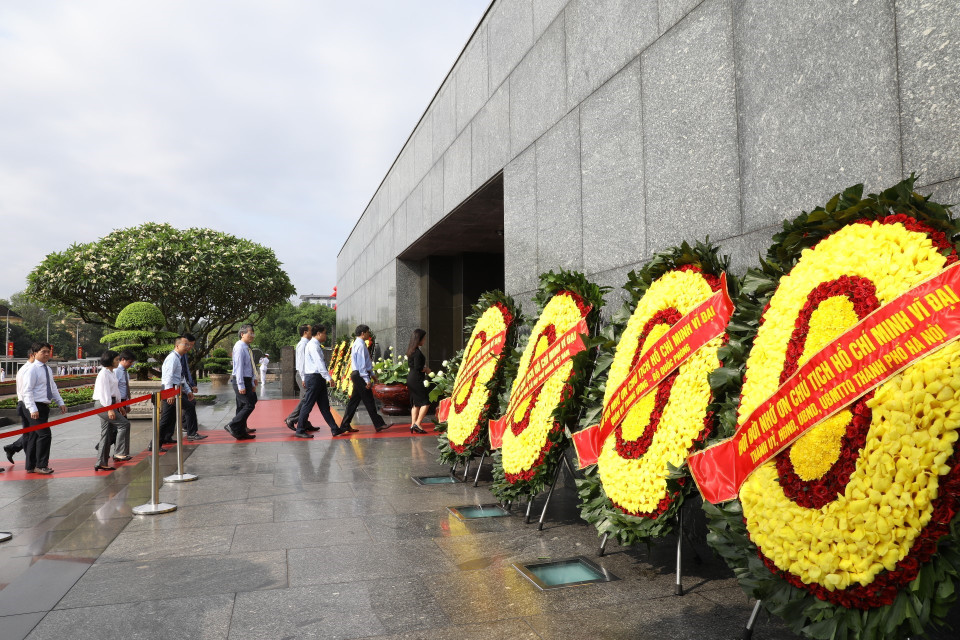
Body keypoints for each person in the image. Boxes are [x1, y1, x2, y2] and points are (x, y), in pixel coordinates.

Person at [21, 342, 67, 474]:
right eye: (43, 352)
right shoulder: (32, 369)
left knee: (34, 436)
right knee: (45, 434)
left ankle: (30, 466)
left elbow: (53, 388)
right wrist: (32, 408)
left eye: (48, 351)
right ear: (35, 354)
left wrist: (60, 402)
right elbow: (27, 390)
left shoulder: (47, 369)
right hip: (34, 405)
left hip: (43, 405)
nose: (47, 354)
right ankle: (41, 465)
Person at [297, 324, 346, 438]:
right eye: (324, 333)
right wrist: (328, 378)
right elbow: (319, 363)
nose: (326, 335)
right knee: (308, 405)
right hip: (314, 378)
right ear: (318, 334)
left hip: (317, 378)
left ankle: (334, 429)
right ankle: (300, 429)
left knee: (324, 406)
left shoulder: (314, 345)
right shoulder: (313, 346)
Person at [339, 324, 390, 434]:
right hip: (360, 375)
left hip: (357, 375)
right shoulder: (360, 345)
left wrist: (372, 375)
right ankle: (379, 424)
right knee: (369, 400)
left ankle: (345, 425)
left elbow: (365, 364)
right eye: (368, 332)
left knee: (354, 401)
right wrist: (367, 380)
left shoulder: (358, 343)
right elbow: (362, 365)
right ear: (363, 333)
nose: (369, 334)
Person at [152, 336, 194, 451]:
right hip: (170, 389)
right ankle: (154, 444)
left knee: (170, 416)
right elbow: (168, 377)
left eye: (188, 345)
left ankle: (165, 438)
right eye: (185, 344)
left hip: (175, 389)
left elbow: (181, 377)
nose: (188, 347)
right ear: (177, 345)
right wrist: (169, 393)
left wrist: (188, 390)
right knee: (167, 417)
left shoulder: (178, 358)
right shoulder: (172, 358)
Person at [92, 350, 131, 471]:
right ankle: (119, 452)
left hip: (110, 403)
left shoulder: (111, 372)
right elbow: (105, 392)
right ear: (109, 360)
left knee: (107, 433)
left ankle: (101, 462)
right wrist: (109, 409)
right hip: (104, 404)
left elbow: (115, 391)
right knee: (124, 424)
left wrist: (119, 405)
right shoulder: (104, 373)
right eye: (116, 360)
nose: (118, 362)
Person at [3, 348, 35, 467]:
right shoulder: (27, 369)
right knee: (33, 433)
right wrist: (31, 407)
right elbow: (26, 390)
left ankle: (13, 448)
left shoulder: (30, 368)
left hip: (26, 403)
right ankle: (31, 462)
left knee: (33, 432)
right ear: (32, 355)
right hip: (26, 404)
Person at [226, 324, 258, 440]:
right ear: (242, 334)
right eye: (250, 333)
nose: (252, 336)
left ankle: (240, 430)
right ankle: (232, 425)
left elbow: (249, 366)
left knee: (242, 405)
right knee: (249, 404)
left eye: (253, 333)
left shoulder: (246, 347)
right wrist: (241, 385)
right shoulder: (240, 347)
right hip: (241, 380)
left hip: (247, 379)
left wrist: (253, 381)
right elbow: (239, 367)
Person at [284, 324, 317, 431]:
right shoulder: (303, 345)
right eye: (311, 330)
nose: (312, 332)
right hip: (303, 374)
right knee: (307, 398)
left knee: (305, 399)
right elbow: (301, 363)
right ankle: (291, 418)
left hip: (305, 374)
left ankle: (304, 422)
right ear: (305, 332)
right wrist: (303, 378)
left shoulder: (307, 344)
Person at [179, 334, 207, 441]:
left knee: (190, 404)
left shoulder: (183, 355)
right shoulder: (174, 357)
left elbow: (185, 372)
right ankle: (189, 430)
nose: (189, 347)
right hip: (174, 389)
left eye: (190, 345)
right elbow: (178, 375)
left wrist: (190, 385)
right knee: (189, 405)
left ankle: (188, 428)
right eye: (188, 345)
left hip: (180, 387)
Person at [111, 350, 136, 461]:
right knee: (121, 426)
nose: (131, 364)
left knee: (122, 427)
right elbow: (114, 389)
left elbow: (126, 388)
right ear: (123, 360)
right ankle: (118, 451)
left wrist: (128, 403)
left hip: (123, 401)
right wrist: (118, 405)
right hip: (118, 402)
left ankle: (120, 451)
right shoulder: (116, 371)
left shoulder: (125, 372)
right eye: (130, 362)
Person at [405, 329, 431, 434]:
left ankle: (413, 424)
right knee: (426, 402)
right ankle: (418, 423)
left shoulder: (411, 351)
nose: (424, 340)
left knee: (415, 403)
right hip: (417, 379)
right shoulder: (417, 353)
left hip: (411, 378)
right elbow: (418, 367)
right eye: (423, 338)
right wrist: (427, 370)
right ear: (419, 339)